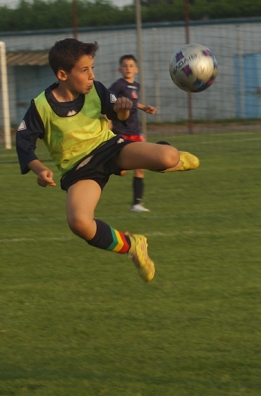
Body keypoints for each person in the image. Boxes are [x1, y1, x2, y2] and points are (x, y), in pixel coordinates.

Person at [16, 38, 198, 283]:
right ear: (62, 75)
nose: (91, 75)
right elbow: (24, 142)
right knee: (79, 223)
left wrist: (122, 109)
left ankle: (168, 161)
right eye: (84, 70)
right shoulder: (40, 106)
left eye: (92, 68)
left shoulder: (97, 89)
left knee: (169, 156)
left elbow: (120, 116)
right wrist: (39, 169)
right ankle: (132, 245)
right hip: (79, 170)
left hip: (111, 149)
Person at [109, 54, 157, 213]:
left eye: (131, 66)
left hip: (135, 131)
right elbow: (108, 100)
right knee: (122, 171)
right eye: (125, 66)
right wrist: (108, 120)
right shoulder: (118, 85)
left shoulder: (136, 85)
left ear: (136, 69)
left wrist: (144, 108)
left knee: (140, 167)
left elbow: (133, 102)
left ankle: (137, 204)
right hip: (121, 131)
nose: (128, 68)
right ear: (120, 69)